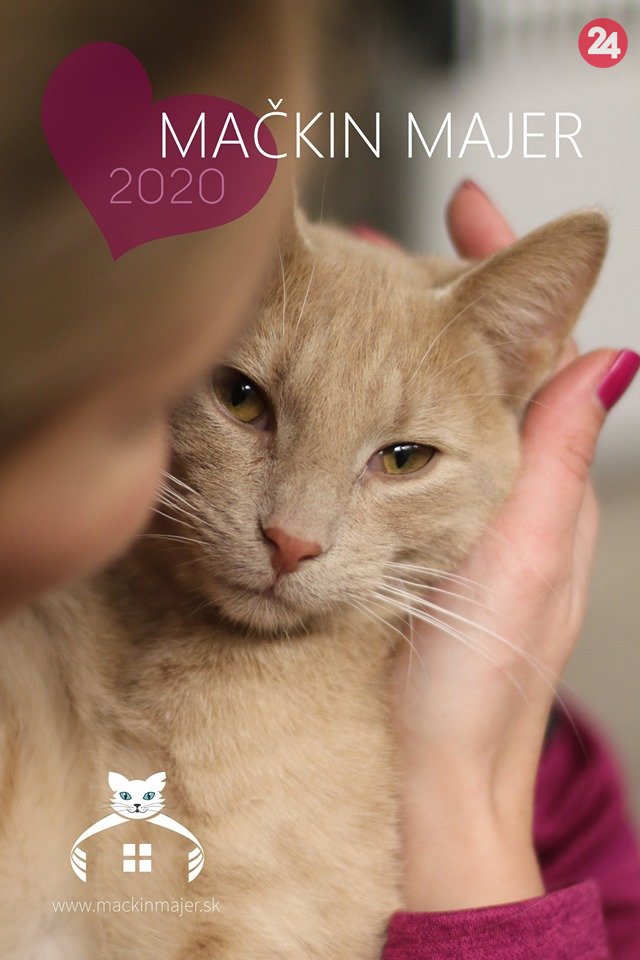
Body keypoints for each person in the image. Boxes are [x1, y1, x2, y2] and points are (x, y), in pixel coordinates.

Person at [2, 6, 640, 957]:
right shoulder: (46, 546)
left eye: (402, 457)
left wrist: (463, 783)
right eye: (245, 399)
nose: (295, 530)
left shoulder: (568, 789)